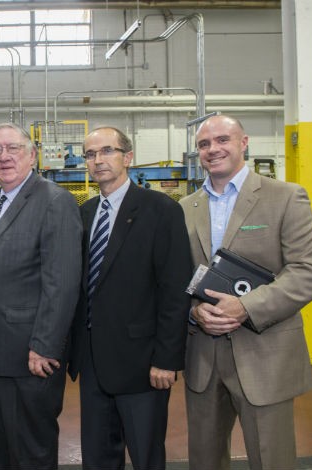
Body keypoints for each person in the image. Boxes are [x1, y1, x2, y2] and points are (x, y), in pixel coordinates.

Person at [179, 114, 312, 470]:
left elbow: (310, 270)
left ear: (244, 143)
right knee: (204, 458)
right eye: (204, 144)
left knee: (271, 458)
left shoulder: (285, 197)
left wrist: (246, 307)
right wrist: (193, 311)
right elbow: (176, 279)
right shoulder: (184, 209)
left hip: (266, 356)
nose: (213, 149)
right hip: (203, 356)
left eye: (222, 140)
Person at [67, 127, 192, 469]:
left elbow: (175, 288)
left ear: (128, 157)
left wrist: (167, 359)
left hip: (142, 364)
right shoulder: (85, 213)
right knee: (98, 456)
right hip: (92, 360)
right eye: (90, 154)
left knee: (146, 455)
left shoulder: (161, 210)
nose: (97, 160)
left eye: (107, 151)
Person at [0, 122, 82, 469]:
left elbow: (62, 282)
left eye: (12, 148)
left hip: (31, 356)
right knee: (1, 448)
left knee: (31, 450)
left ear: (32, 155)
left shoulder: (53, 201)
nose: (4, 157)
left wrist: (45, 344)